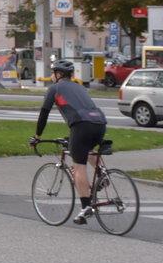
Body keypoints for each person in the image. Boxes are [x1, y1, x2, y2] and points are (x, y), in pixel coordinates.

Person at [30, 59, 107, 224]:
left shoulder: (55, 88)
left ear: (59, 74)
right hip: (100, 123)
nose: (51, 76)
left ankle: (86, 207)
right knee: (86, 149)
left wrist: (37, 137)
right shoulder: (79, 86)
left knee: (78, 166)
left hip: (81, 125)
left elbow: (44, 114)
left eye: (52, 73)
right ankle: (102, 175)